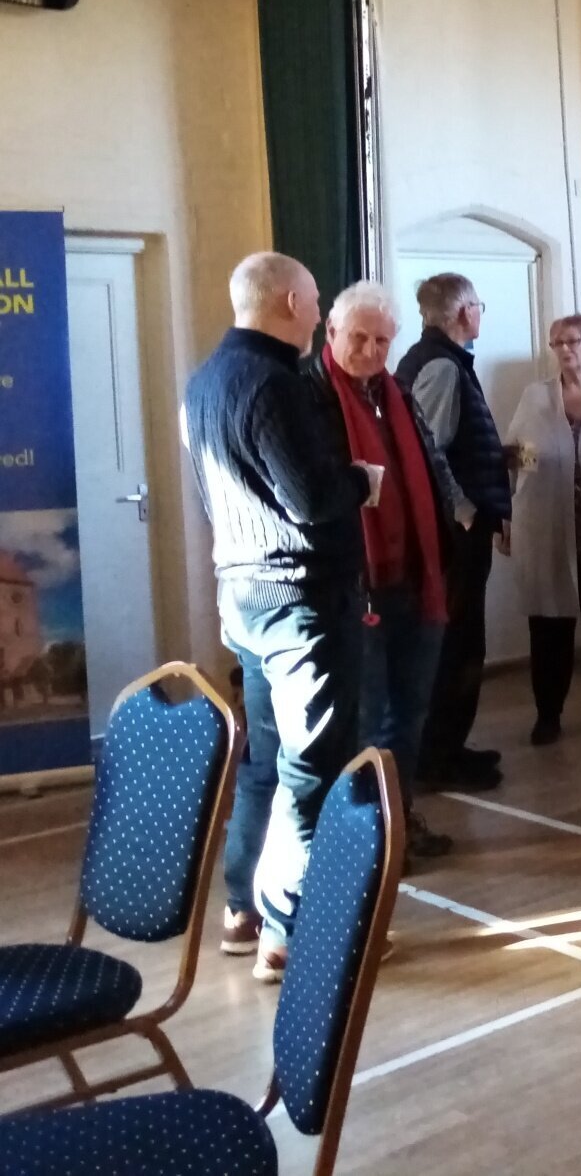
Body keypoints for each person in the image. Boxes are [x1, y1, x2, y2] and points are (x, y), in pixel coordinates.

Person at [187, 253, 379, 984]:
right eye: (317, 300)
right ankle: (289, 931)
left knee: (266, 761)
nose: (319, 311)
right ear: (293, 303)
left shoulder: (205, 380)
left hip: (243, 596)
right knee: (312, 766)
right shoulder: (276, 383)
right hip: (300, 603)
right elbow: (310, 499)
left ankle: (243, 909)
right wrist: (360, 480)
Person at [305, 281, 468, 862]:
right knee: (366, 720)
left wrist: (454, 530)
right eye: (360, 338)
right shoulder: (310, 397)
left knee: (410, 714)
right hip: (355, 585)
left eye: (382, 341)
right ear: (331, 332)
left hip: (416, 579)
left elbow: (430, 465)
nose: (372, 351)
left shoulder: (397, 391)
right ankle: (362, 839)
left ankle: (399, 819)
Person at [398, 273, 513, 792]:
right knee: (458, 644)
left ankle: (448, 749)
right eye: (478, 305)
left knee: (460, 642)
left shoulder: (438, 360)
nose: (480, 314)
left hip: (455, 527)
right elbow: (429, 450)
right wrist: (465, 509)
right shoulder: (443, 366)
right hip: (454, 532)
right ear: (464, 312)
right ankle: (436, 759)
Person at [507, 314, 581, 746]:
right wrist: (506, 516)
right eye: (557, 343)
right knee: (549, 627)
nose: (565, 349)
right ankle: (548, 715)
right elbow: (515, 457)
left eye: (572, 341)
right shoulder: (536, 397)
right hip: (547, 525)